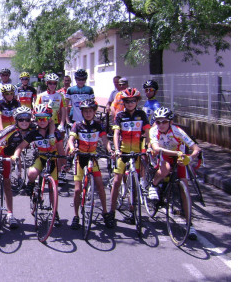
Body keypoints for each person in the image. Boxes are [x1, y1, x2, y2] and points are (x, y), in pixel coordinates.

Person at [148, 107, 201, 240]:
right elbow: (156, 148)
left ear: (170, 122)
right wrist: (176, 153)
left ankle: (190, 224)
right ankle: (153, 184)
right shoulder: (154, 131)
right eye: (158, 122)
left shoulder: (178, 131)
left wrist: (191, 157)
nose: (161, 125)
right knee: (165, 169)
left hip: (179, 157)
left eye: (164, 122)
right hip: (164, 155)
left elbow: (196, 148)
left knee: (185, 190)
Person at [12, 104, 64, 226]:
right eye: (39, 118)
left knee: (53, 190)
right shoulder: (33, 133)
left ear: (49, 119)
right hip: (41, 158)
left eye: (44, 118)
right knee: (32, 173)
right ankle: (31, 185)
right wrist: (16, 155)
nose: (42, 121)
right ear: (35, 119)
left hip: (53, 160)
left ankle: (54, 212)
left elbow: (61, 151)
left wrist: (64, 166)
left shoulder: (55, 134)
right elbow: (21, 146)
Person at [67, 99, 113, 229]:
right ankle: (76, 216)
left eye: (90, 111)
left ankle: (105, 213)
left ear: (94, 112)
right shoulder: (77, 125)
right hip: (80, 158)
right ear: (82, 112)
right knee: (77, 190)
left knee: (100, 186)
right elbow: (71, 139)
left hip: (92, 158)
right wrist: (72, 148)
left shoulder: (98, 125)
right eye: (85, 111)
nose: (88, 113)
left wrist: (110, 150)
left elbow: (105, 140)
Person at [109, 88, 150, 226]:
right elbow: (116, 134)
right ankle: (111, 211)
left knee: (134, 181)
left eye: (133, 101)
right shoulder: (120, 115)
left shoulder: (142, 115)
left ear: (137, 101)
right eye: (127, 101)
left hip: (137, 152)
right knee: (116, 181)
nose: (130, 103)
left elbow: (147, 132)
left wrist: (148, 147)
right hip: (123, 151)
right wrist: (116, 149)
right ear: (124, 102)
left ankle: (133, 211)